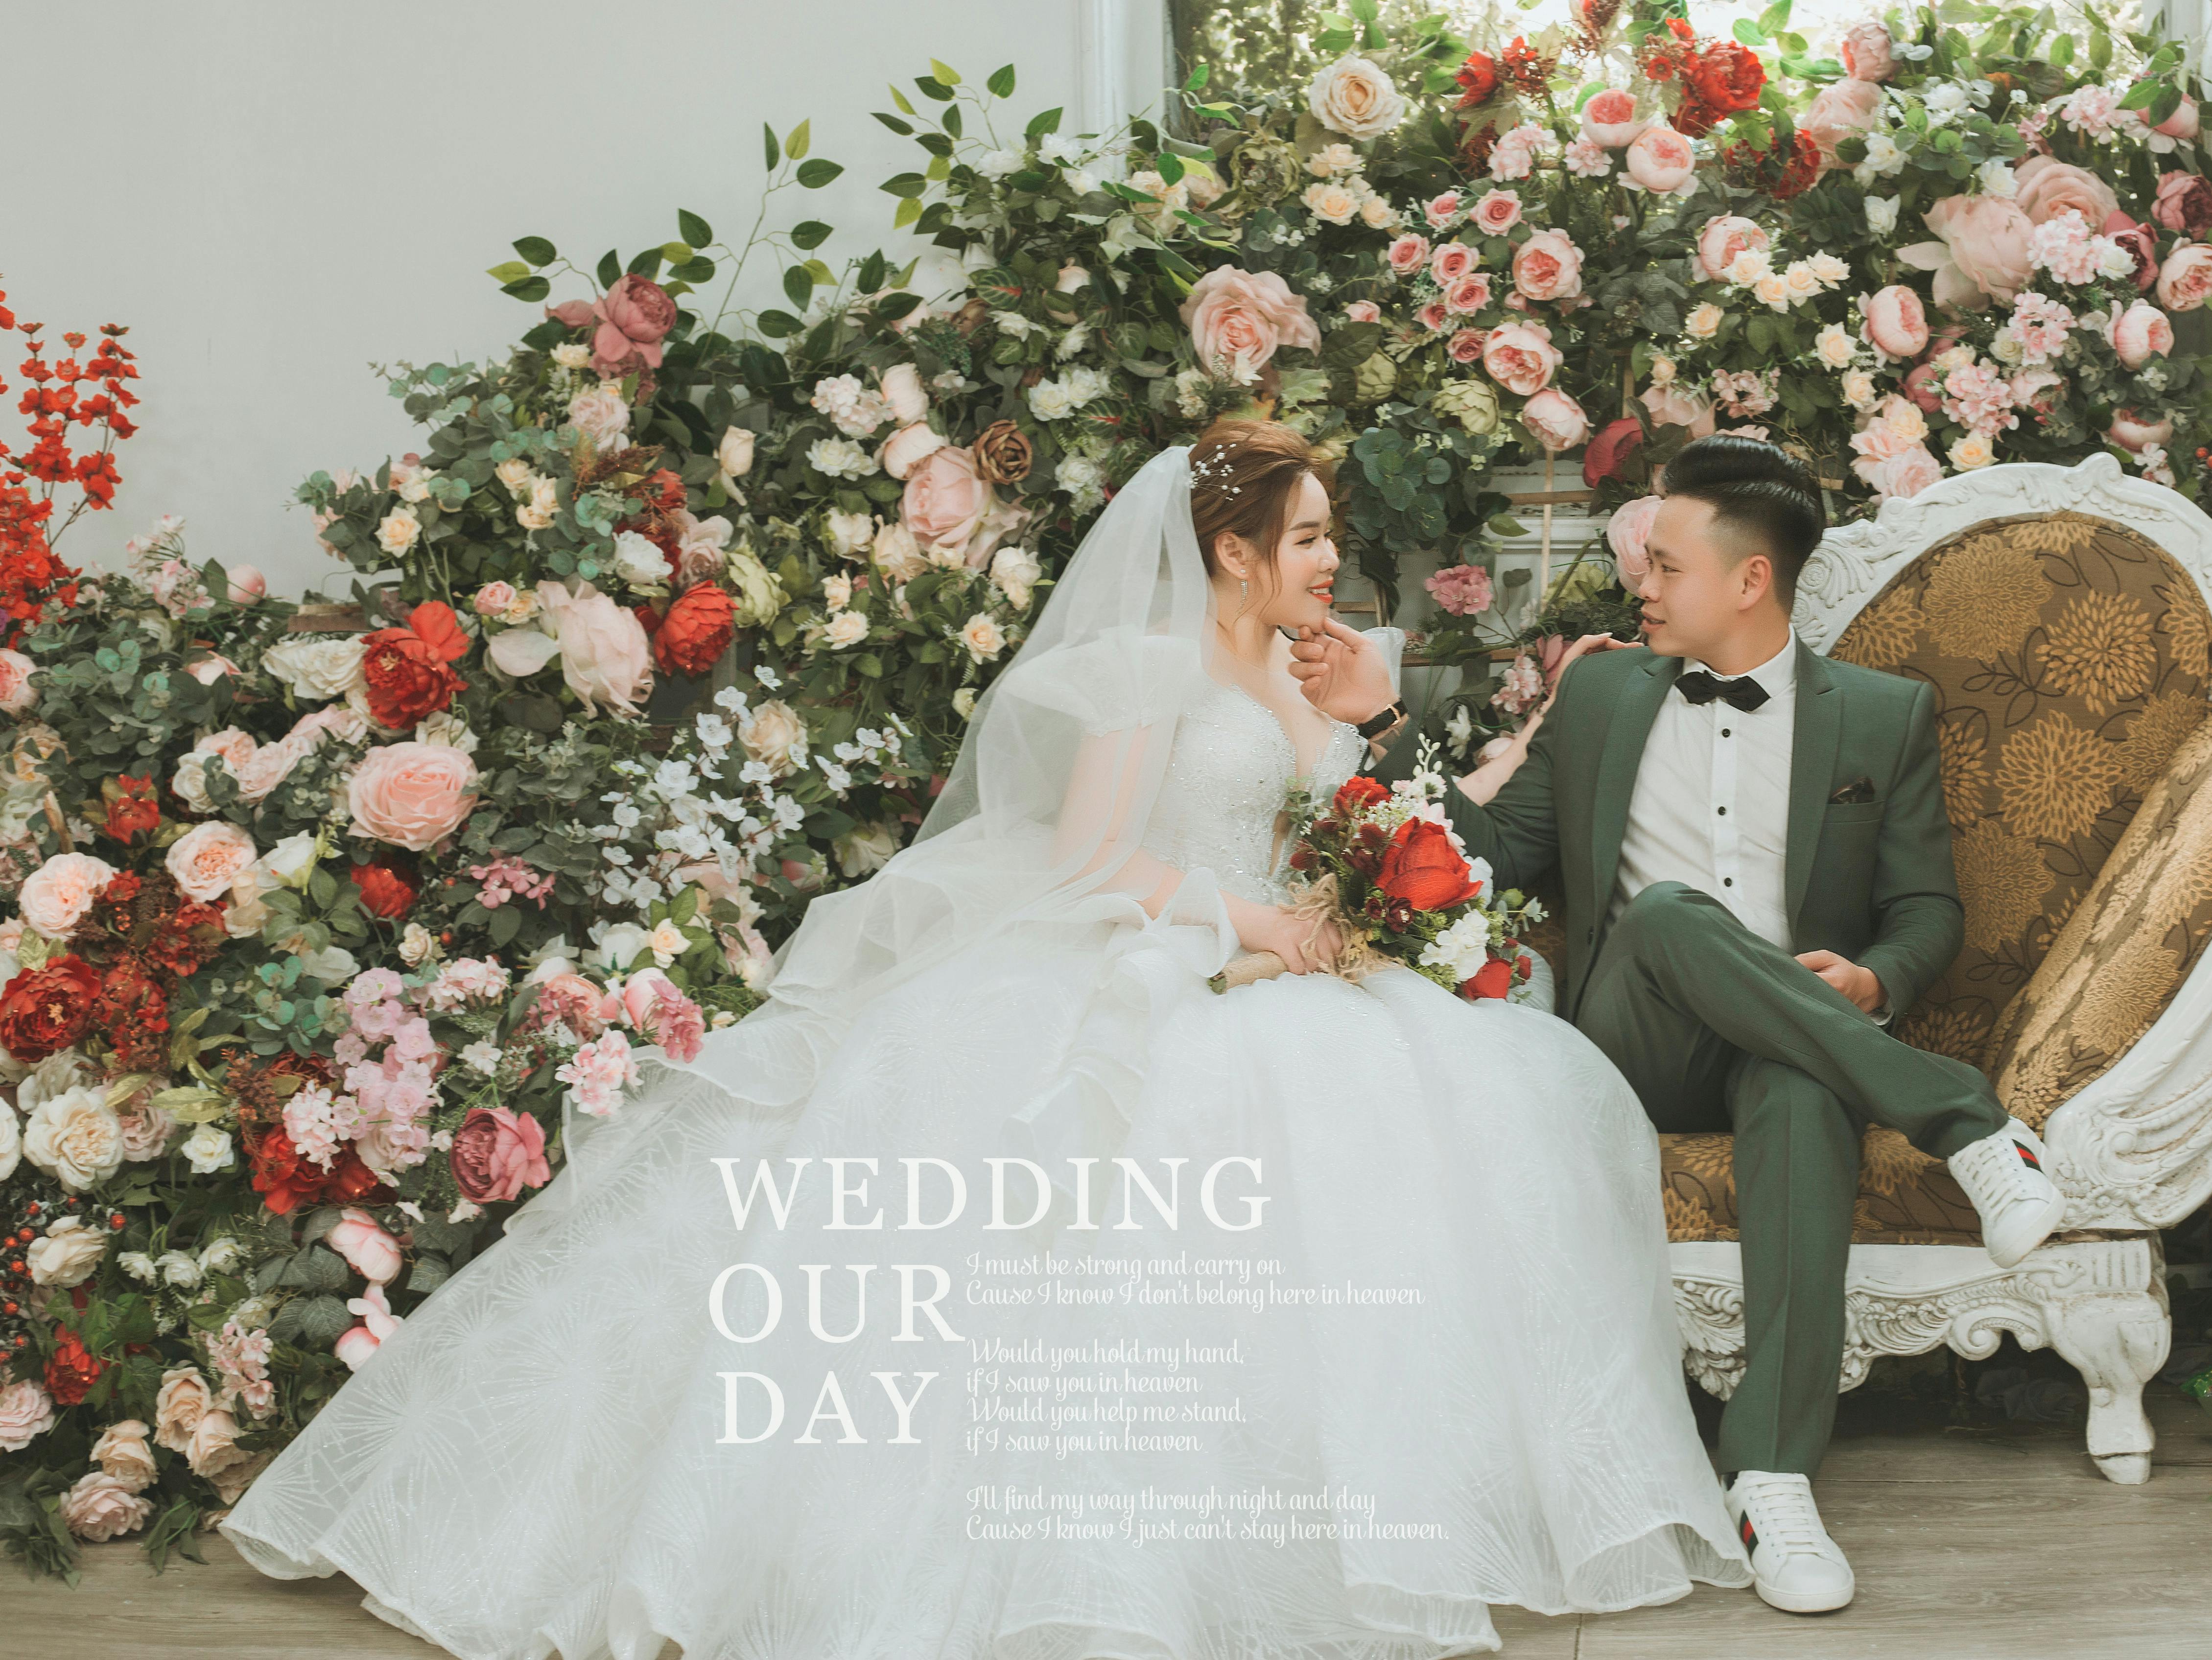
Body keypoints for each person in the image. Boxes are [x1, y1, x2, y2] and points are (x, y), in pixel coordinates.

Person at [219, 420, 1750, 1659]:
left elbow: (1355, 836)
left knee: (1495, 1111)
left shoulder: (1294, 671)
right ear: (1230, 550)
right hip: (1158, 974)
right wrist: (1251, 926)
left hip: (1295, 976)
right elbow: (1091, 860)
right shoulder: (1148, 671)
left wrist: (1356, 740)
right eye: (1306, 536)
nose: (1331, 558)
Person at [1294, 433, 2065, 1616]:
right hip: (1630, 1045)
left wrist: (1868, 982)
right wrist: (1387, 721)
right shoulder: (1602, 691)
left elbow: (1926, 912)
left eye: (1664, 568)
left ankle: (1771, 1476)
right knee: (1665, 914)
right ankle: (1966, 1123)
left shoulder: (1880, 716)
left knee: (1805, 1090)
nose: (1639, 587)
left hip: (1791, 1039)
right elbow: (1493, 863)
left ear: (1750, 581)